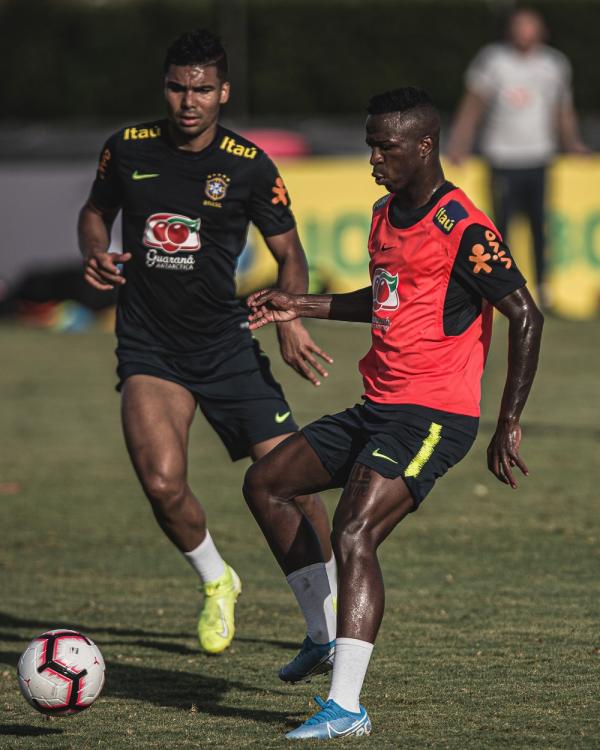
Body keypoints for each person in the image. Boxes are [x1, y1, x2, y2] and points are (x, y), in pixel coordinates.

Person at [243, 87, 543, 740]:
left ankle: (346, 708)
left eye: (386, 146)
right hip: (378, 407)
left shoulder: (462, 227)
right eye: (370, 144)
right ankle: (323, 636)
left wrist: (509, 419)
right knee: (267, 483)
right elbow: (383, 300)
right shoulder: (384, 214)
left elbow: (525, 312)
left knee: (353, 533)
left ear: (425, 146)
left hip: (434, 416)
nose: (373, 157)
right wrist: (302, 306)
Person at [77, 29, 337, 655]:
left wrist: (291, 317)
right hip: (149, 348)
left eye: (201, 89)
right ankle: (218, 580)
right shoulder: (126, 147)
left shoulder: (249, 166)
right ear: (164, 87)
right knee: (164, 485)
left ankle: (328, 617)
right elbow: (95, 212)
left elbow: (289, 255)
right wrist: (94, 252)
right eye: (176, 87)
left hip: (226, 345)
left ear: (223, 91)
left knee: (294, 484)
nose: (188, 101)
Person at [447, 7, 588, 306]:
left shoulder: (554, 64)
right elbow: (473, 105)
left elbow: (562, 110)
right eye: (519, 26)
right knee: (500, 229)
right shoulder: (493, 61)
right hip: (503, 158)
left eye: (530, 26)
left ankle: (543, 289)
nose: (524, 32)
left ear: (542, 30)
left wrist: (572, 143)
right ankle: (502, 291)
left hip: (539, 156)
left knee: (540, 226)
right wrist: (460, 142)